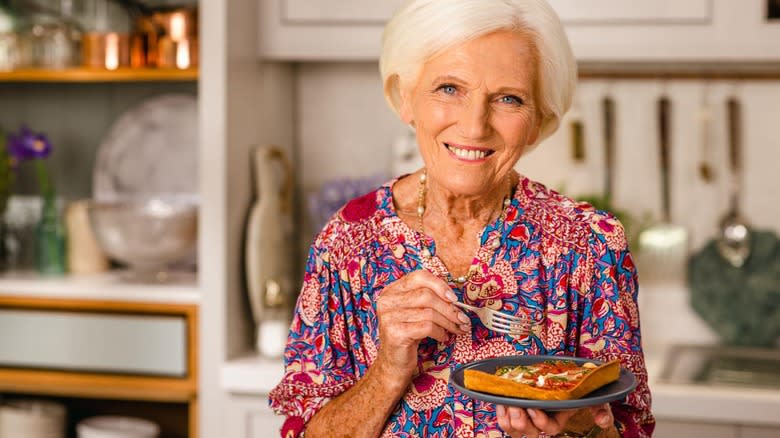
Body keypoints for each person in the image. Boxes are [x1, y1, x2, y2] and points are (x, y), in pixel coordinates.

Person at [269, 0, 654, 436]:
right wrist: (388, 371)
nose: (474, 126)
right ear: (405, 98)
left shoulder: (591, 245)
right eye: (449, 88)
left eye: (508, 99)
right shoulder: (348, 242)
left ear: (537, 122)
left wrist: (574, 428)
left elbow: (628, 428)